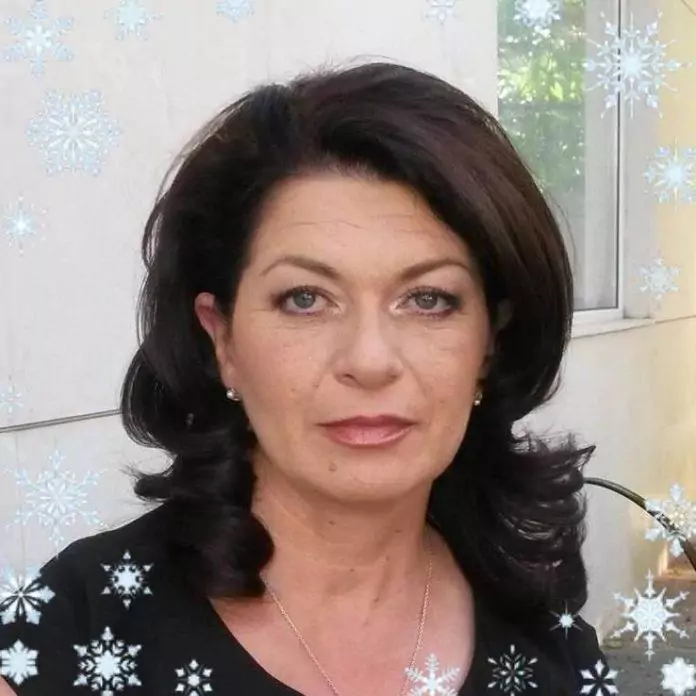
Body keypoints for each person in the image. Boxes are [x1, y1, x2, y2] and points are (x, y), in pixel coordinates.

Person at [0, 61, 613, 695]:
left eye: (428, 299)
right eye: (305, 299)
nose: (369, 360)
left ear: (489, 343)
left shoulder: (551, 646)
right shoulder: (78, 633)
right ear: (222, 339)